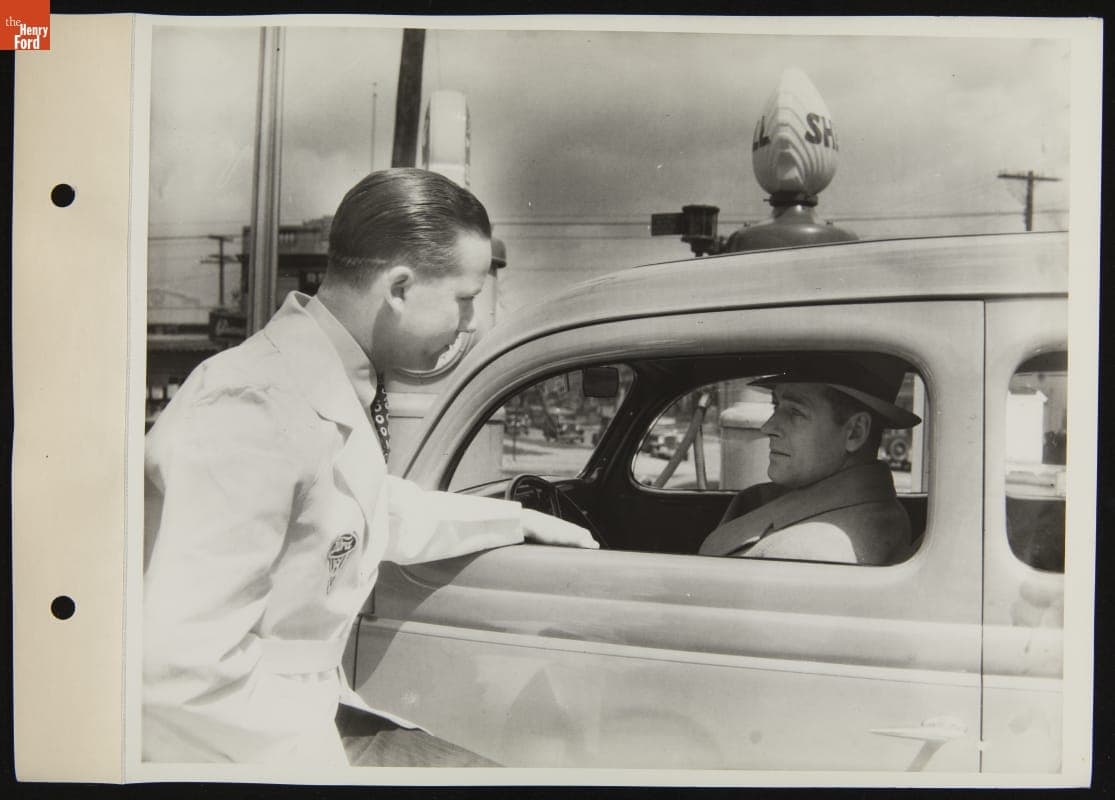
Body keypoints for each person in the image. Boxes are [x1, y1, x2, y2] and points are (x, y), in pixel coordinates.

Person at [143, 168, 596, 766]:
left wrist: (516, 520)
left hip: (298, 713)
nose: (471, 323)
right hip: (243, 744)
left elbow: (363, 505)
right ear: (399, 289)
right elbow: (180, 674)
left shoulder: (312, 383)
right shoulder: (251, 406)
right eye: (464, 299)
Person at [698, 354, 921, 565]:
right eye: (776, 406)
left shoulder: (803, 553)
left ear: (855, 432)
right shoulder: (870, 510)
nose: (768, 427)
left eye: (795, 412)